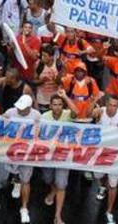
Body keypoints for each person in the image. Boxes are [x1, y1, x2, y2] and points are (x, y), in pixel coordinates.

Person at [2, 94, 40, 223]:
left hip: (27, 154)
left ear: (29, 107)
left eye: (23, 108)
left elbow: (40, 132)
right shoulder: (10, 112)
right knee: (14, 172)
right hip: (12, 152)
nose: (19, 110)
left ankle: (24, 209)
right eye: (19, 107)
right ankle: (16, 181)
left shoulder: (36, 116)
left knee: (26, 180)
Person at [41, 93, 75, 224]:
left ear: (63, 105)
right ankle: (52, 189)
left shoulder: (67, 114)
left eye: (60, 104)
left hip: (63, 156)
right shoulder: (44, 117)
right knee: (47, 178)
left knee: (61, 184)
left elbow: (76, 113)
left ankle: (58, 216)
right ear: (50, 106)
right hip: (48, 156)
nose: (57, 107)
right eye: (54, 104)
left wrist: (66, 97)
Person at [94, 94, 118, 224]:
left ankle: (109, 211)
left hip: (116, 154)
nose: (112, 108)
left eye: (115, 105)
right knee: (98, 175)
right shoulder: (100, 111)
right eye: (110, 105)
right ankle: (103, 186)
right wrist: (93, 103)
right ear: (106, 104)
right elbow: (88, 115)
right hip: (100, 152)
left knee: (113, 184)